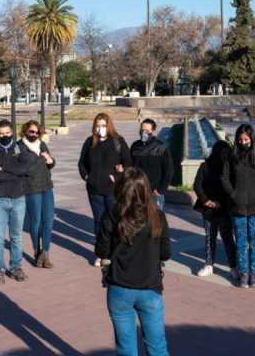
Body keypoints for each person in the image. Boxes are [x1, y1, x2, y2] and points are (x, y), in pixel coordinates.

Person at [95, 167, 171, 356]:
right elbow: (166, 253)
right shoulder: (157, 216)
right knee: (157, 346)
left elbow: (101, 250)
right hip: (149, 286)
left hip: (119, 286)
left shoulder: (112, 214)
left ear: (121, 188)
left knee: (125, 347)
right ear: (145, 189)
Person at [78, 112, 133, 267]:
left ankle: (114, 253)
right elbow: (82, 163)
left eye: (103, 125)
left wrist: (118, 174)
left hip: (113, 190)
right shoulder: (90, 142)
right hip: (94, 189)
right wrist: (87, 177)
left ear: (108, 126)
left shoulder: (118, 141)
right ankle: (101, 253)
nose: (100, 128)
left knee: (115, 221)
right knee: (99, 221)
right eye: (98, 125)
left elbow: (128, 162)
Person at [223, 124, 255, 287]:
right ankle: (243, 273)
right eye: (240, 139)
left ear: (252, 138)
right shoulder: (232, 156)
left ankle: (254, 274)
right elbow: (224, 178)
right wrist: (233, 195)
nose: (243, 142)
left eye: (246, 139)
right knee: (241, 242)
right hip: (237, 207)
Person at [0, 120, 32, 286]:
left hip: (18, 199)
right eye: (1, 134)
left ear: (12, 132)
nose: (4, 136)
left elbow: (25, 170)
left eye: (7, 133)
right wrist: (14, 174)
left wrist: (3, 169)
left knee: (16, 237)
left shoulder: (20, 150)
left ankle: (16, 267)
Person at [192, 140, 237, 278]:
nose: (225, 156)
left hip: (224, 209)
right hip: (209, 209)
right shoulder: (205, 166)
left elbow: (233, 187)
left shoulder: (230, 167)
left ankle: (233, 266)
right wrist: (206, 201)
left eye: (227, 153)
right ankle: (209, 264)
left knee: (228, 238)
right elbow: (197, 185)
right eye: (223, 153)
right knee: (209, 237)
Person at [20, 120, 57, 269]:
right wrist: (42, 159)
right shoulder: (20, 147)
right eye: (31, 132)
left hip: (47, 186)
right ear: (25, 131)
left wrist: (51, 161)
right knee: (35, 221)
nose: (34, 135)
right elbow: (26, 169)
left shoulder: (41, 144)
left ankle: (45, 253)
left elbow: (51, 163)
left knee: (48, 220)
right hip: (31, 189)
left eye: (37, 132)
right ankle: (37, 251)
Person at [130, 119, 174, 211]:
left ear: (153, 131)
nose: (144, 132)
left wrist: (160, 190)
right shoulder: (135, 146)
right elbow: (131, 167)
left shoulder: (161, 147)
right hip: (138, 190)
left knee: (155, 221)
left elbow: (169, 170)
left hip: (154, 191)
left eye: (147, 130)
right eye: (142, 130)